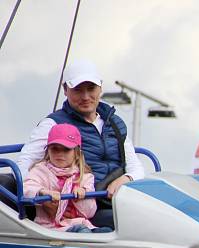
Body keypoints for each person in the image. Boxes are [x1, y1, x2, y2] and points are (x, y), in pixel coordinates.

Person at [17, 60, 143, 228]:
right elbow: (23, 168)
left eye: (91, 89)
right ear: (65, 90)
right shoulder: (53, 125)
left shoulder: (115, 123)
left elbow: (136, 168)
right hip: (83, 209)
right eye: (77, 90)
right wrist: (44, 200)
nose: (85, 97)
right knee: (134, 224)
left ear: (101, 88)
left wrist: (125, 179)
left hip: (120, 200)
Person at [22, 123, 110, 233]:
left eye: (66, 149)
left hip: (79, 223)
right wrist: (42, 193)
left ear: (76, 153)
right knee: (83, 232)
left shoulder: (85, 176)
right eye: (55, 149)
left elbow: (90, 213)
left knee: (106, 232)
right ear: (48, 151)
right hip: (49, 228)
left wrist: (81, 198)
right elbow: (26, 188)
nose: (60, 154)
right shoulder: (40, 171)